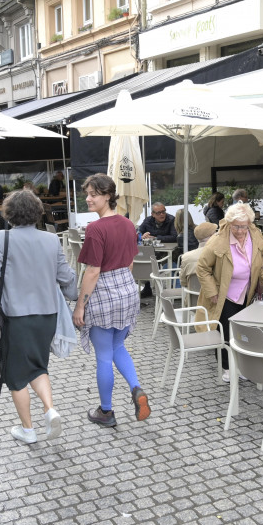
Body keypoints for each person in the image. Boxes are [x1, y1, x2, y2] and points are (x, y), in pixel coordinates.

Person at [0, 190, 78, 444]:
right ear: (37, 212)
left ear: (9, 213)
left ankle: (28, 430)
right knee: (38, 366)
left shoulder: (1, 238)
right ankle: (50, 409)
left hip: (16, 318)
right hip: (47, 316)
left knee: (15, 375)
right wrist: (79, 297)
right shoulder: (51, 240)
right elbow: (66, 278)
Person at [74, 174, 150, 427]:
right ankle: (136, 388)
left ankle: (106, 412)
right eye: (87, 194)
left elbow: (93, 271)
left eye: (93, 194)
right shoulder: (129, 224)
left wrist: (80, 305)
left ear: (108, 196)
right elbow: (129, 262)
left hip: (104, 291)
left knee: (104, 356)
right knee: (118, 346)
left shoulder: (96, 228)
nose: (88, 199)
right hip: (127, 290)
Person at [196, 202, 263, 383]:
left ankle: (242, 366)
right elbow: (202, 268)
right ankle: (228, 368)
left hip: (247, 292)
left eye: (243, 226)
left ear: (249, 224)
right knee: (225, 333)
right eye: (236, 226)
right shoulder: (218, 240)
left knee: (243, 332)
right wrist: (212, 291)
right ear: (229, 223)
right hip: (224, 294)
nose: (239, 230)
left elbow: (261, 262)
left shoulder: (256, 235)